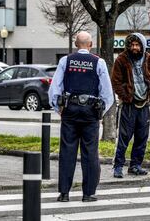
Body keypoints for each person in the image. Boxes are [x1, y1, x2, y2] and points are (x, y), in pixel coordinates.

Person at [49, 31, 114, 202]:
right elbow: (107, 93)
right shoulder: (98, 62)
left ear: (76, 44)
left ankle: (64, 193)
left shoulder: (66, 60)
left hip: (70, 109)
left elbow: (54, 89)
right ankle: (88, 193)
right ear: (91, 44)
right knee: (90, 152)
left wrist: (59, 109)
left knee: (67, 151)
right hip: (90, 111)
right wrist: (100, 113)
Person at [111, 32, 150, 178]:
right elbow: (116, 82)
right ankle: (118, 166)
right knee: (124, 137)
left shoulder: (149, 59)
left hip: (144, 105)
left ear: (142, 45)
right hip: (129, 106)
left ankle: (135, 165)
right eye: (132, 45)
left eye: (137, 45)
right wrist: (125, 97)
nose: (134, 47)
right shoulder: (121, 59)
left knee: (141, 137)